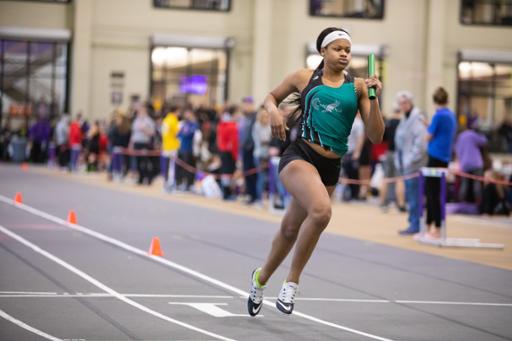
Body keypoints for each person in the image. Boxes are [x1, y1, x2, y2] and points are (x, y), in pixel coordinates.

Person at [247, 27, 384, 316]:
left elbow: (376, 136)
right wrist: (273, 111)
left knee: (289, 229)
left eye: (348, 49)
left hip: (331, 166)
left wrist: (374, 99)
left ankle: (260, 279)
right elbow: (271, 97)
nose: (344, 53)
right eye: (338, 48)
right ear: (323, 51)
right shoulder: (304, 77)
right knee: (321, 212)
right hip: (301, 156)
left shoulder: (359, 87)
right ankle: (292, 283)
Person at [423, 87, 457, 238]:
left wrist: (425, 130)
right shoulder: (451, 115)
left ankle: (434, 227)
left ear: (434, 101)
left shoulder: (438, 116)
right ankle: (431, 226)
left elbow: (429, 136)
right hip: (445, 157)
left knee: (432, 193)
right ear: (447, 100)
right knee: (436, 193)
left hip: (435, 156)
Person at [394, 91, 428, 235]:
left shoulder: (417, 118)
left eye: (405, 103)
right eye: (401, 103)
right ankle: (412, 223)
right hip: (405, 163)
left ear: (411, 102)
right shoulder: (405, 118)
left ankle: (415, 225)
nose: (403, 106)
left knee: (415, 196)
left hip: (414, 164)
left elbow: (420, 143)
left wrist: (410, 160)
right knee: (410, 195)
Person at [455, 116, 487, 204]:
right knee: (477, 184)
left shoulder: (460, 136)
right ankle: (478, 204)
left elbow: (457, 150)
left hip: (465, 164)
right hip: (476, 163)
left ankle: (462, 203)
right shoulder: (472, 134)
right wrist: (481, 133)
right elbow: (484, 141)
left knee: (464, 184)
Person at [379, 106, 406, 212]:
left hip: (389, 152)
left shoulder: (389, 122)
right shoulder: (403, 122)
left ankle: (382, 202)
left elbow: (383, 138)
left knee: (386, 177)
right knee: (400, 178)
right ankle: (401, 204)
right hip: (399, 153)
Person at [160, 107, 180, 191]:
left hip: (165, 145)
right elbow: (177, 133)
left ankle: (166, 182)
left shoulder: (165, 120)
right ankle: (170, 184)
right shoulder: (173, 120)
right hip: (172, 146)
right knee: (172, 166)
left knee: (166, 165)